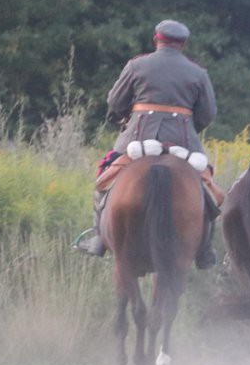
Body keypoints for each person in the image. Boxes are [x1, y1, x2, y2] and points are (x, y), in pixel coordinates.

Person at [75, 19, 219, 268]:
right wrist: (188, 130)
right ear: (183, 44)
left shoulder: (136, 65)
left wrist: (127, 118)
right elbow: (207, 114)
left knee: (103, 180)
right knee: (208, 190)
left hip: (137, 139)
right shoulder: (198, 73)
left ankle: (100, 237)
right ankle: (205, 250)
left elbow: (115, 101)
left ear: (156, 39)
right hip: (183, 142)